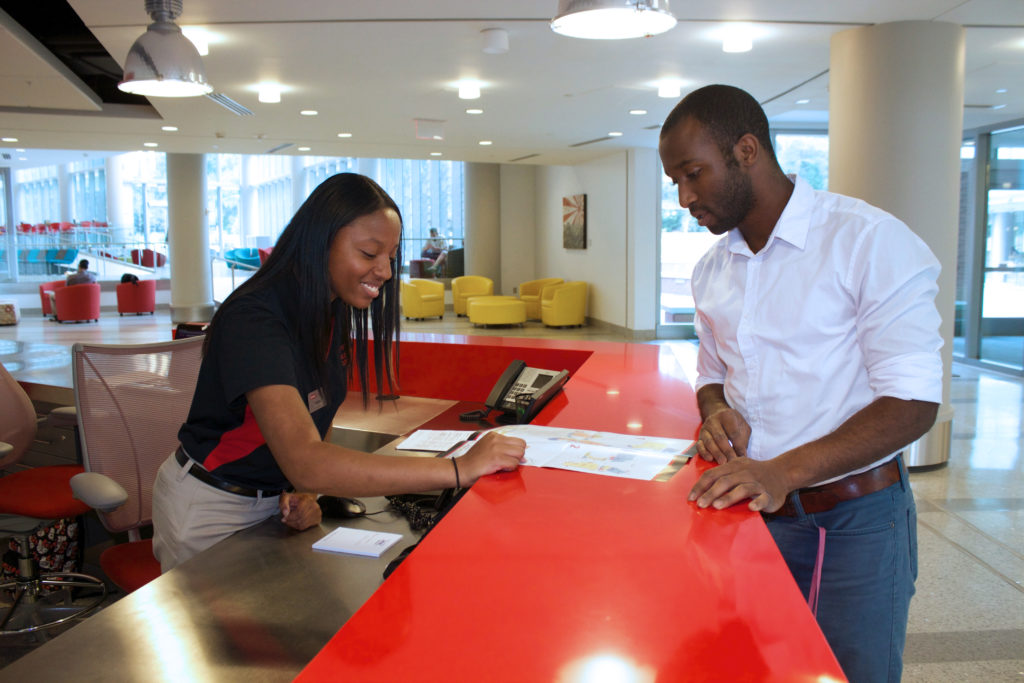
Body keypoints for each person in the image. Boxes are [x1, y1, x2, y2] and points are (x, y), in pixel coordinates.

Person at [659, 85, 942, 682]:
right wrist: (715, 411)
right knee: (752, 665)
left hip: (856, 521)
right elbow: (713, 374)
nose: (685, 197)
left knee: (851, 672)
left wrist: (782, 472)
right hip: (752, 515)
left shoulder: (868, 242)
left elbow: (913, 404)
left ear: (746, 150)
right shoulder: (713, 268)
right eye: (675, 182)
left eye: (693, 174)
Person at [152, 173, 526, 572]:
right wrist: (458, 468)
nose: (384, 270)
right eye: (369, 253)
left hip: (272, 503)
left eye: (391, 255)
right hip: (212, 509)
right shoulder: (255, 318)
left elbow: (317, 419)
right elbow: (305, 457)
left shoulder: (329, 311)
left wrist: (307, 491)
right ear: (319, 241)